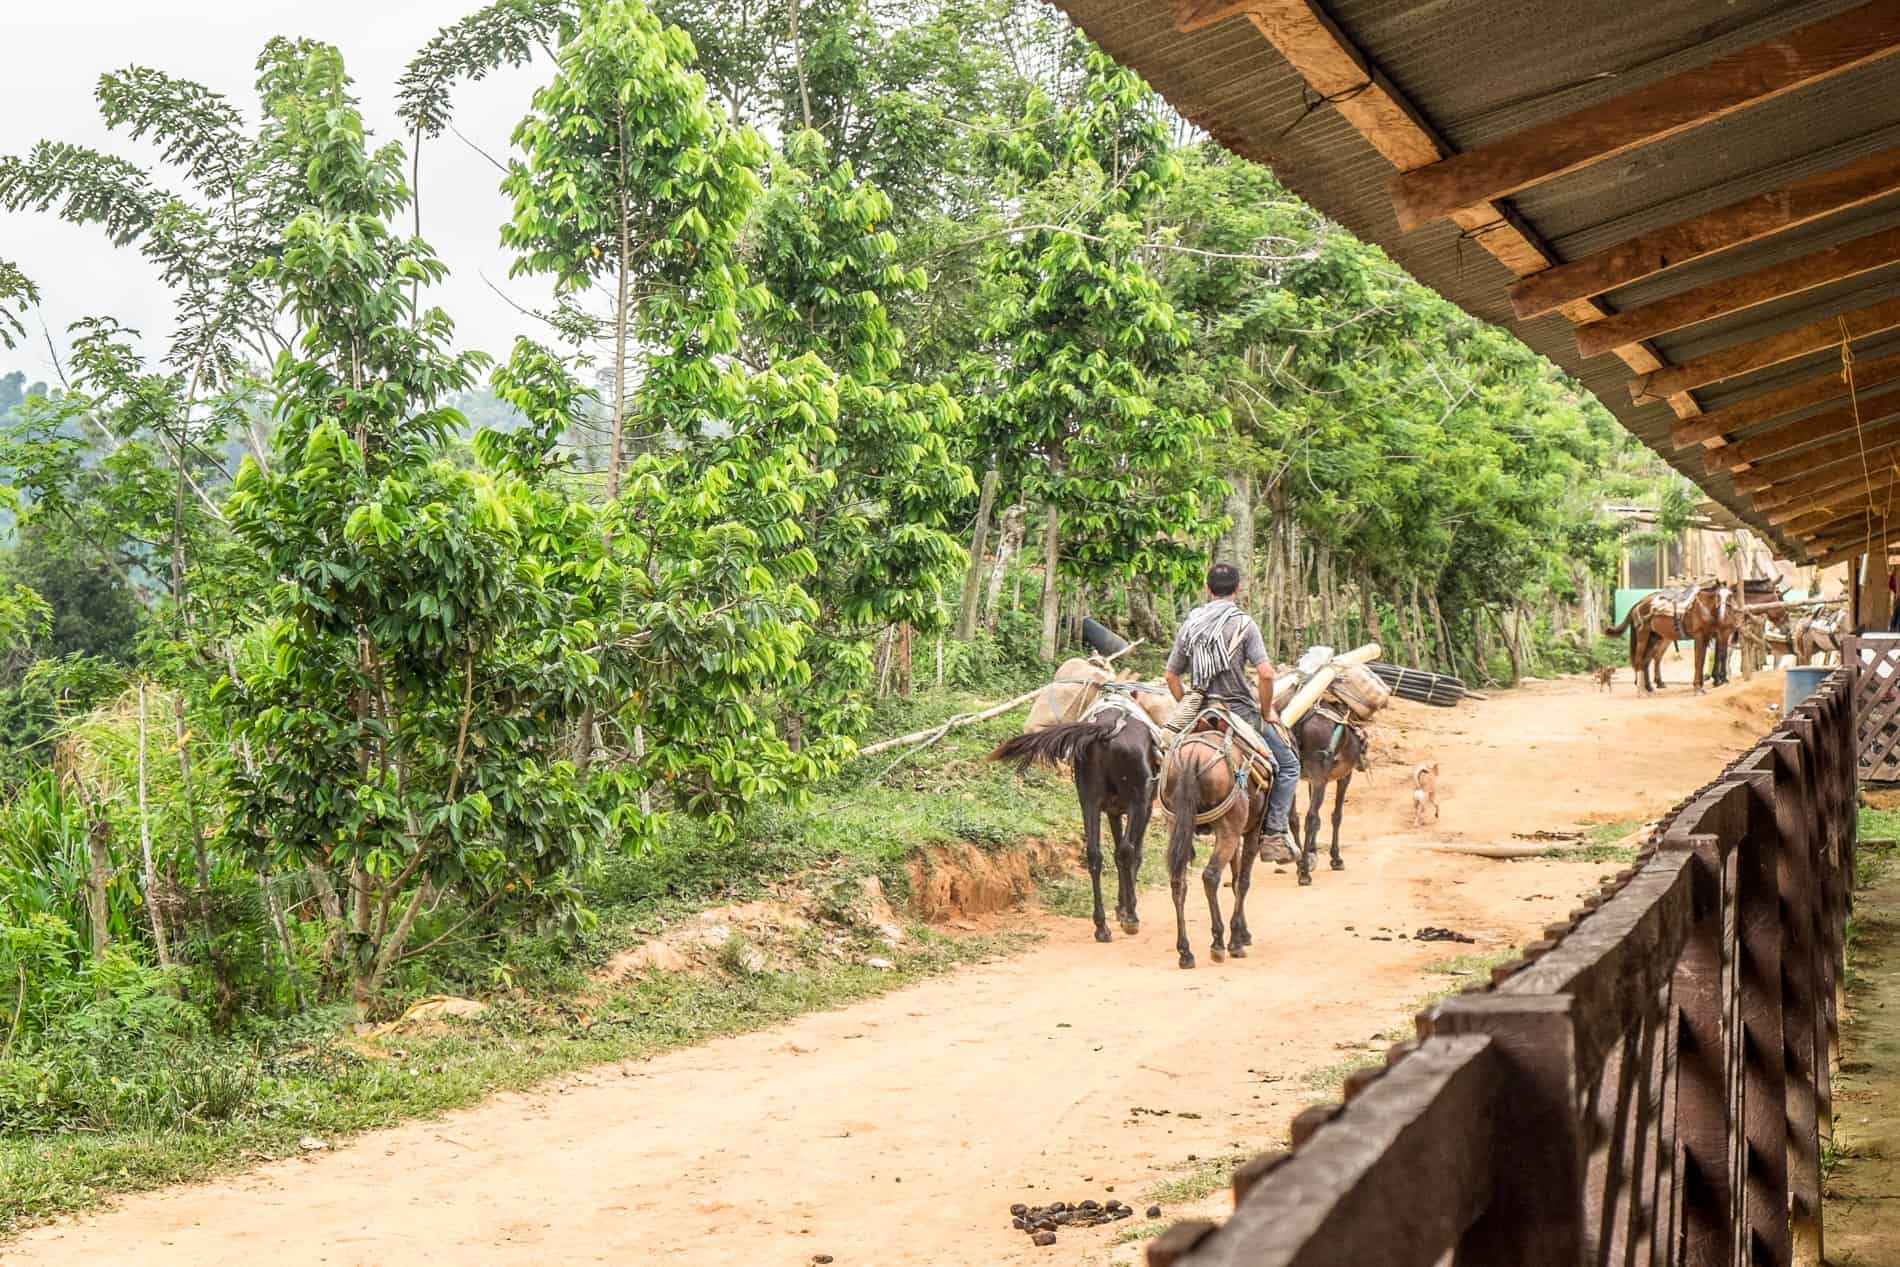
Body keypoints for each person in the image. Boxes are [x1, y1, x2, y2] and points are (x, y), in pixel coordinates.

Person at [1163, 562, 1300, 842]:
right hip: (1239, 711)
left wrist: (1190, 705)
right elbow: (1265, 674)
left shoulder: (1191, 623)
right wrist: (1266, 711)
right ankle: (1274, 832)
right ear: (1238, 589)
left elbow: (1171, 676)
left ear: (1207, 589)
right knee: (1288, 766)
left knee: (1163, 756)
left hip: (1202, 709)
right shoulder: (1245, 624)